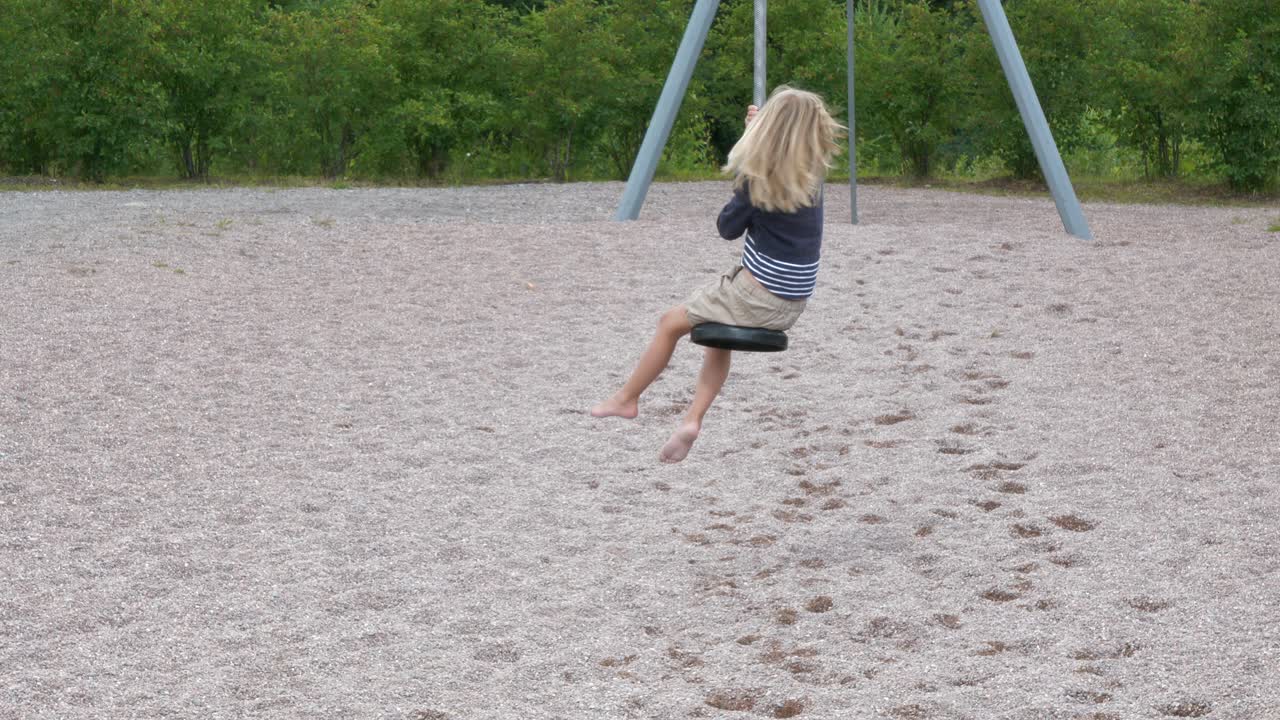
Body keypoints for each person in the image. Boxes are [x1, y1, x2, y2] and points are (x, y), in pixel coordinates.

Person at [591, 86, 843, 463]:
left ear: (767, 131)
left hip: (756, 295)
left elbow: (727, 228)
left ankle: (627, 398)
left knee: (669, 324)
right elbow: (782, 149)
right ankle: (691, 420)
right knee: (717, 339)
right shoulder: (812, 180)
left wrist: (748, 159)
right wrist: (755, 135)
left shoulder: (755, 181)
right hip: (792, 303)